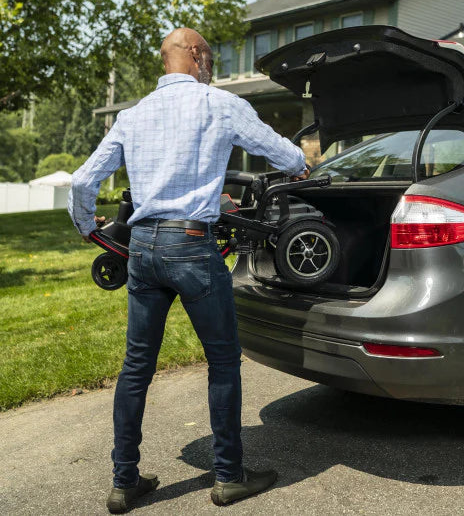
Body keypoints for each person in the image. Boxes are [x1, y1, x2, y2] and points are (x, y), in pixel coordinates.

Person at [68, 28, 309, 513]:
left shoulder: (132, 115)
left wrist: (85, 227)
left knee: (137, 366)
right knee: (222, 361)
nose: (211, 65)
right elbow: (287, 156)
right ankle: (228, 476)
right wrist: (301, 162)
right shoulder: (218, 104)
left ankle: (123, 483)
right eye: (210, 57)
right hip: (193, 247)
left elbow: (82, 179)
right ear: (197, 55)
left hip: (141, 249)